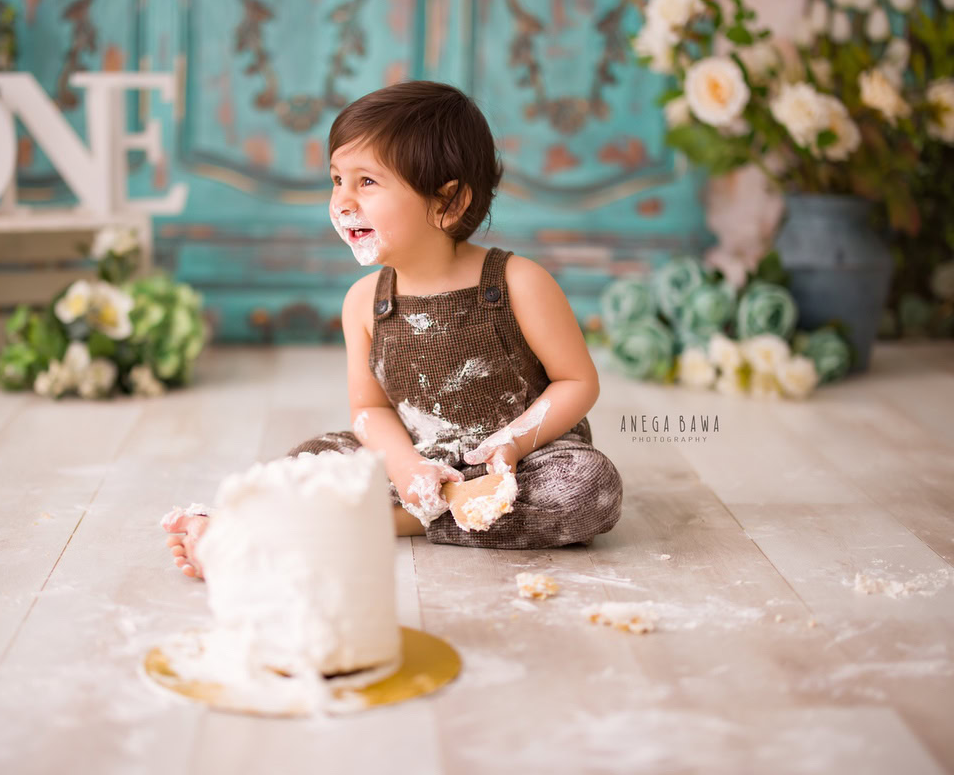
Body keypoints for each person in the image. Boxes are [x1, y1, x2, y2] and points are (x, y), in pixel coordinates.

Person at [167, 80, 622, 578]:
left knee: (588, 488)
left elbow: (578, 382)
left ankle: (383, 522)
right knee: (307, 465)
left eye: (366, 182)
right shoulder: (365, 302)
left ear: (447, 202)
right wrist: (407, 469)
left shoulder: (519, 283)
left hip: (516, 467)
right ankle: (267, 522)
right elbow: (369, 410)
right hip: (415, 459)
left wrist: (510, 443)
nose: (342, 200)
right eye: (337, 179)